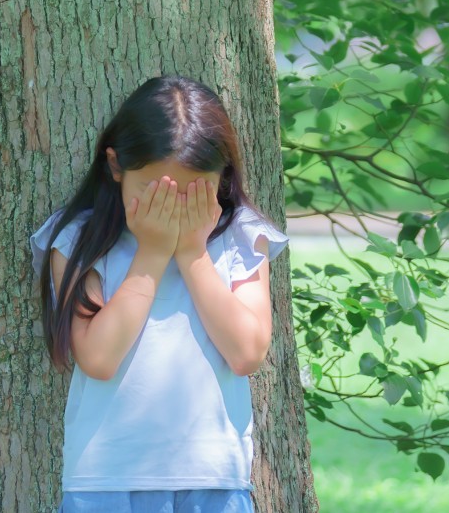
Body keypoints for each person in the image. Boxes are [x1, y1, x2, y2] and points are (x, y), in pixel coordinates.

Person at [29, 75, 290, 513]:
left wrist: (192, 254)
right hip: (105, 478)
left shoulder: (241, 237)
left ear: (221, 177)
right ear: (116, 167)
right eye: (153, 192)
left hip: (213, 477)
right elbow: (98, 358)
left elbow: (247, 352)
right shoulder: (80, 241)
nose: (170, 208)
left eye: (190, 193)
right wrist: (151, 254)